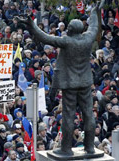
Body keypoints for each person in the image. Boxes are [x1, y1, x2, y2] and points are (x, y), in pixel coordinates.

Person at [17, 0, 104, 156]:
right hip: (85, 82)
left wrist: (31, 25)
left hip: (70, 84)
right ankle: (90, 147)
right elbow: (94, 26)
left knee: (69, 115)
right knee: (89, 115)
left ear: (69, 30)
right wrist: (94, 12)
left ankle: (66, 149)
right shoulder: (88, 38)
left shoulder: (66, 41)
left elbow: (45, 37)